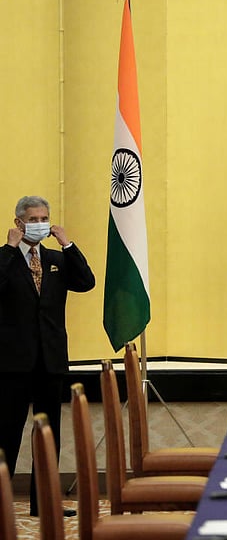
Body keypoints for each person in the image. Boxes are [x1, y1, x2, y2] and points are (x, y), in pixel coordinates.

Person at [0, 195, 95, 516]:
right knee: (7, 431)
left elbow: (86, 282)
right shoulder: (6, 259)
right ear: (18, 223)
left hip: (51, 359)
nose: (39, 224)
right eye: (32, 219)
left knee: (48, 431)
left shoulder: (57, 259)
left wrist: (68, 245)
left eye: (44, 219)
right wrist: (10, 249)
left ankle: (45, 504)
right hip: (12, 362)